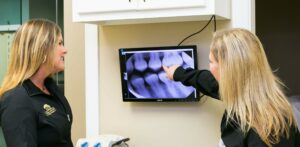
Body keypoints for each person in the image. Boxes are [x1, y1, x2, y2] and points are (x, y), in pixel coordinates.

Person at [163, 28, 300, 147]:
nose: (209, 67)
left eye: (211, 61)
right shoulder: (243, 91)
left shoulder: (268, 128)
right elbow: (207, 81)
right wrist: (178, 73)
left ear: (228, 69)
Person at [0, 19, 73, 147]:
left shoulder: (51, 88)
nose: (65, 50)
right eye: (59, 43)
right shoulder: (17, 100)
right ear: (42, 50)